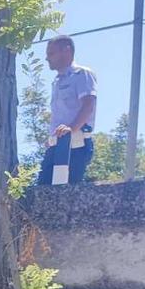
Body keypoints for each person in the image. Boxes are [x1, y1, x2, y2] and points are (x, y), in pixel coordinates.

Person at [37, 35, 97, 185]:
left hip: (76, 145)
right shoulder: (57, 81)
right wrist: (52, 138)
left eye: (51, 53)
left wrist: (70, 129)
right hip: (57, 145)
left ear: (66, 51)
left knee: (66, 190)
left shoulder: (81, 74)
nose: (47, 58)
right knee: (44, 189)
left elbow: (88, 105)